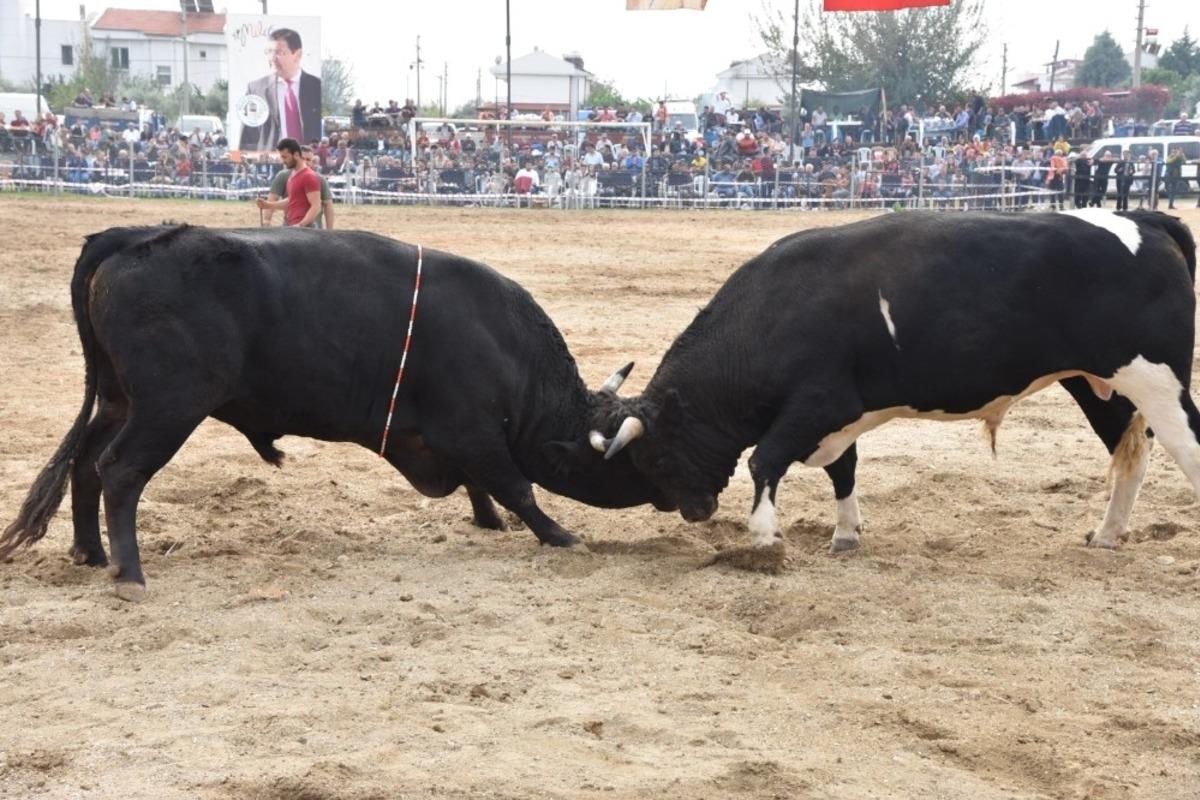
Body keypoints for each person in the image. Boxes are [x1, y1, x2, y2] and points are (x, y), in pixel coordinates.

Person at [237, 28, 322, 151]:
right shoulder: (256, 89)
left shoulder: (316, 87)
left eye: (280, 52)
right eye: (269, 52)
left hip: (306, 162)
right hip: (271, 162)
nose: (272, 58)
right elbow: (247, 138)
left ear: (297, 55)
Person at [262, 144, 335, 228]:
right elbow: (273, 198)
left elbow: (327, 205)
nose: (305, 162)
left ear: (312, 162)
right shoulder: (283, 176)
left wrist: (329, 231)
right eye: (303, 158)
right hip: (290, 226)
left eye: (308, 159)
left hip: (313, 229)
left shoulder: (320, 179)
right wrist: (267, 220)